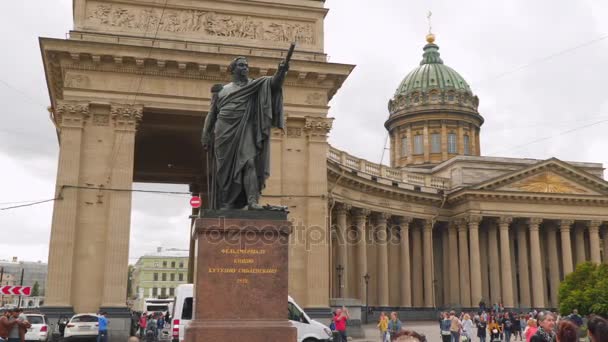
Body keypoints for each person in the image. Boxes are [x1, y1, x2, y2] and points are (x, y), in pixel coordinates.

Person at [201, 52, 289, 210]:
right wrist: (205, 134)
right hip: (224, 131)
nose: (246, 68)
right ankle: (227, 203)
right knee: (225, 171)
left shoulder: (255, 85)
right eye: (242, 65)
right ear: (232, 69)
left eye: (247, 65)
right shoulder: (221, 91)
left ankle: (252, 201)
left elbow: (274, 84)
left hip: (246, 128)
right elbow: (212, 114)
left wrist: (281, 72)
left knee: (249, 162)